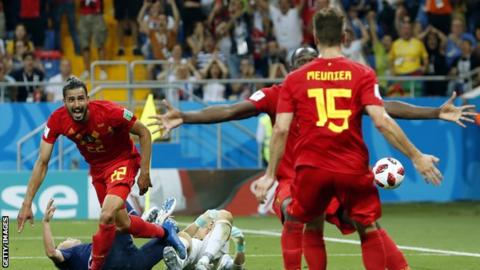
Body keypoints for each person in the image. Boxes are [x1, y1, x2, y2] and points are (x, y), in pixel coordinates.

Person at [148, 45, 476, 269]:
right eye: (302, 65)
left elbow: (387, 108)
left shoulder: (338, 88)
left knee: (366, 222)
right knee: (297, 214)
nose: (308, 69)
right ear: (292, 70)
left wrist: (434, 112)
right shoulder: (280, 93)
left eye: (311, 63)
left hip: (333, 173)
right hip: (294, 180)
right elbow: (233, 109)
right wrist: (186, 117)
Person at [255, 8, 443, 270]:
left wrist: (269, 175)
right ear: (344, 37)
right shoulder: (362, 73)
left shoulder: (295, 79)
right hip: (351, 167)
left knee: (305, 224)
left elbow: (281, 130)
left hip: (311, 168)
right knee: (367, 228)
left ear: (316, 38)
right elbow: (382, 120)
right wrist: (416, 156)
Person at [17, 76, 186, 270]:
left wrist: (145, 172)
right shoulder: (57, 120)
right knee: (122, 224)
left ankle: (95, 266)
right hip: (98, 172)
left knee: (106, 215)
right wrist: (27, 202)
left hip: (122, 162)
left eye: (81, 98)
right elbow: (42, 162)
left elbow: (144, 133)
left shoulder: (109, 111)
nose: (77, 104)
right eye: (71, 100)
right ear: (64, 102)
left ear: (88, 99)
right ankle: (165, 232)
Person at [43, 198, 181, 270]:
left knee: (171, 237)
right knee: (111, 203)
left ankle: (153, 226)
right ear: (63, 250)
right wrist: (46, 223)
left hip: (133, 264)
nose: (69, 238)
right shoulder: (70, 257)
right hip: (110, 259)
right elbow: (51, 252)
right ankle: (142, 223)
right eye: (64, 241)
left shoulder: (81, 255)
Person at [162, 209, 246, 270]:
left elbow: (237, 267)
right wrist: (200, 221)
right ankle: (178, 262)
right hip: (191, 256)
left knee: (226, 214)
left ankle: (203, 261)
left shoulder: (221, 240)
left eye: (213, 223)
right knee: (186, 238)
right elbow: (184, 236)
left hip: (213, 260)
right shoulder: (194, 240)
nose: (210, 226)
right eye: (207, 223)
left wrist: (240, 245)